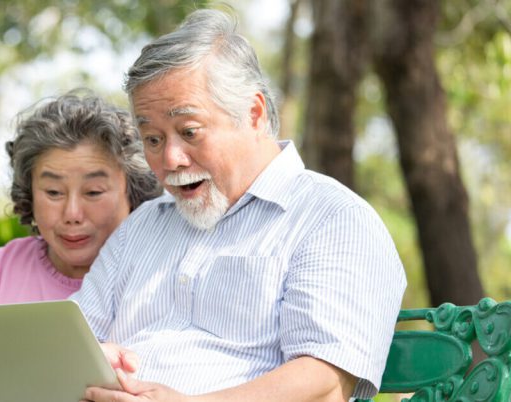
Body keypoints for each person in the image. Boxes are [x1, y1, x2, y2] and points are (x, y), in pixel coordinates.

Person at [72, 9, 407, 402]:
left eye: (189, 132)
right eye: (153, 139)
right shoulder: (142, 225)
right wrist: (87, 360)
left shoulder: (333, 218)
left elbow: (326, 383)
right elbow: (74, 338)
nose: (170, 159)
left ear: (254, 113)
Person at [0, 90, 163, 401]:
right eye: (54, 192)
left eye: (94, 192)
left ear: (133, 190)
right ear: (29, 193)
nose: (72, 214)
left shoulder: (160, 272)